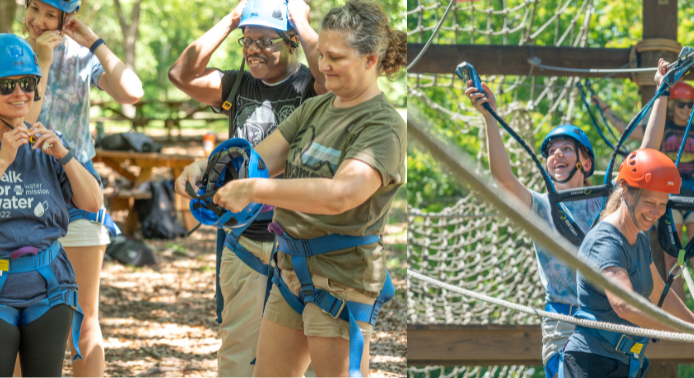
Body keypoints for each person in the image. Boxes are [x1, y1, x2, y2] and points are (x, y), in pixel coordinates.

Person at [172, 1, 408, 375]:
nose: (324, 65)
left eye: (335, 57)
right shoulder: (318, 109)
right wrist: (204, 168)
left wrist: (253, 190)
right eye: (322, 54)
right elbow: (258, 158)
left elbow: (341, 194)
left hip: (341, 280)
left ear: (370, 59)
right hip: (291, 272)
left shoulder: (383, 126)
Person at [165, 0, 322, 374]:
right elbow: (181, 75)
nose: (254, 50)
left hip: (297, 237)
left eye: (266, 41)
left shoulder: (310, 86)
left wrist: (300, 19)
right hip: (242, 234)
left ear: (292, 41)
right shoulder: (236, 84)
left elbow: (331, 75)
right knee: (238, 347)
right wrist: (231, 19)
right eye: (248, 41)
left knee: (300, 351)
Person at [0, 33, 103, 377]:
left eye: (27, 83)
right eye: (7, 85)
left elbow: (92, 201)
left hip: (49, 286)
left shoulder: (47, 142)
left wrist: (66, 156)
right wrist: (2, 160)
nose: (20, 93)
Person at [21, 0, 143, 374]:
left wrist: (93, 41)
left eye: (50, 14)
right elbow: (24, 119)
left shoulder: (80, 56)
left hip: (77, 187)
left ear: (67, 18)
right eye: (33, 8)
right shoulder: (13, 52)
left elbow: (132, 92)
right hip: (21, 191)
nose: (39, 21)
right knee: (19, 313)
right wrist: (40, 60)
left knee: (83, 314)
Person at [462, 79, 604, 376]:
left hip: (606, 321)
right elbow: (504, 178)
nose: (557, 155)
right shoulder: (541, 207)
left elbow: (644, 161)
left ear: (586, 163)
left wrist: (662, 93)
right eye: (552, 151)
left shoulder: (605, 203)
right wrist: (490, 118)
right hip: (564, 325)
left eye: (567, 148)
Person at [562, 149, 694, 378]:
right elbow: (625, 306)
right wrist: (690, 331)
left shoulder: (639, 236)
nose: (656, 212)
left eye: (662, 204)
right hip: (592, 363)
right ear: (626, 192)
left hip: (627, 363)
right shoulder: (606, 242)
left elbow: (659, 293)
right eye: (649, 202)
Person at [654, 81, 694, 312]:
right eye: (682, 105)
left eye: (690, 105)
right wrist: (604, 108)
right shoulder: (662, 128)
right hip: (668, 196)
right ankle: (681, 314)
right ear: (672, 105)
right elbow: (632, 132)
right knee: (672, 259)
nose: (686, 109)